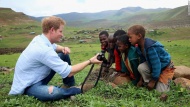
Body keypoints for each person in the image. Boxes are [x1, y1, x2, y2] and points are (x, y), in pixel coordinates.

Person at [9, 16, 102, 101]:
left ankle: (69, 84)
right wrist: (90, 61)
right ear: (52, 30)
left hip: (37, 77)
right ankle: (76, 90)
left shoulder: (40, 39)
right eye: (60, 31)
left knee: (63, 54)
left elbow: (55, 47)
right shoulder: (43, 49)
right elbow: (70, 72)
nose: (62, 35)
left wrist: (63, 48)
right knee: (53, 93)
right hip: (28, 85)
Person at [127, 25, 175, 92]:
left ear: (139, 36)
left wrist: (153, 81)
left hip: (165, 67)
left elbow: (156, 65)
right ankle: (149, 83)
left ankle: (155, 81)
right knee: (141, 67)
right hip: (154, 66)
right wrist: (141, 80)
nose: (129, 39)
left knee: (161, 92)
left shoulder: (150, 48)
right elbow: (143, 61)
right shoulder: (138, 47)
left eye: (130, 37)